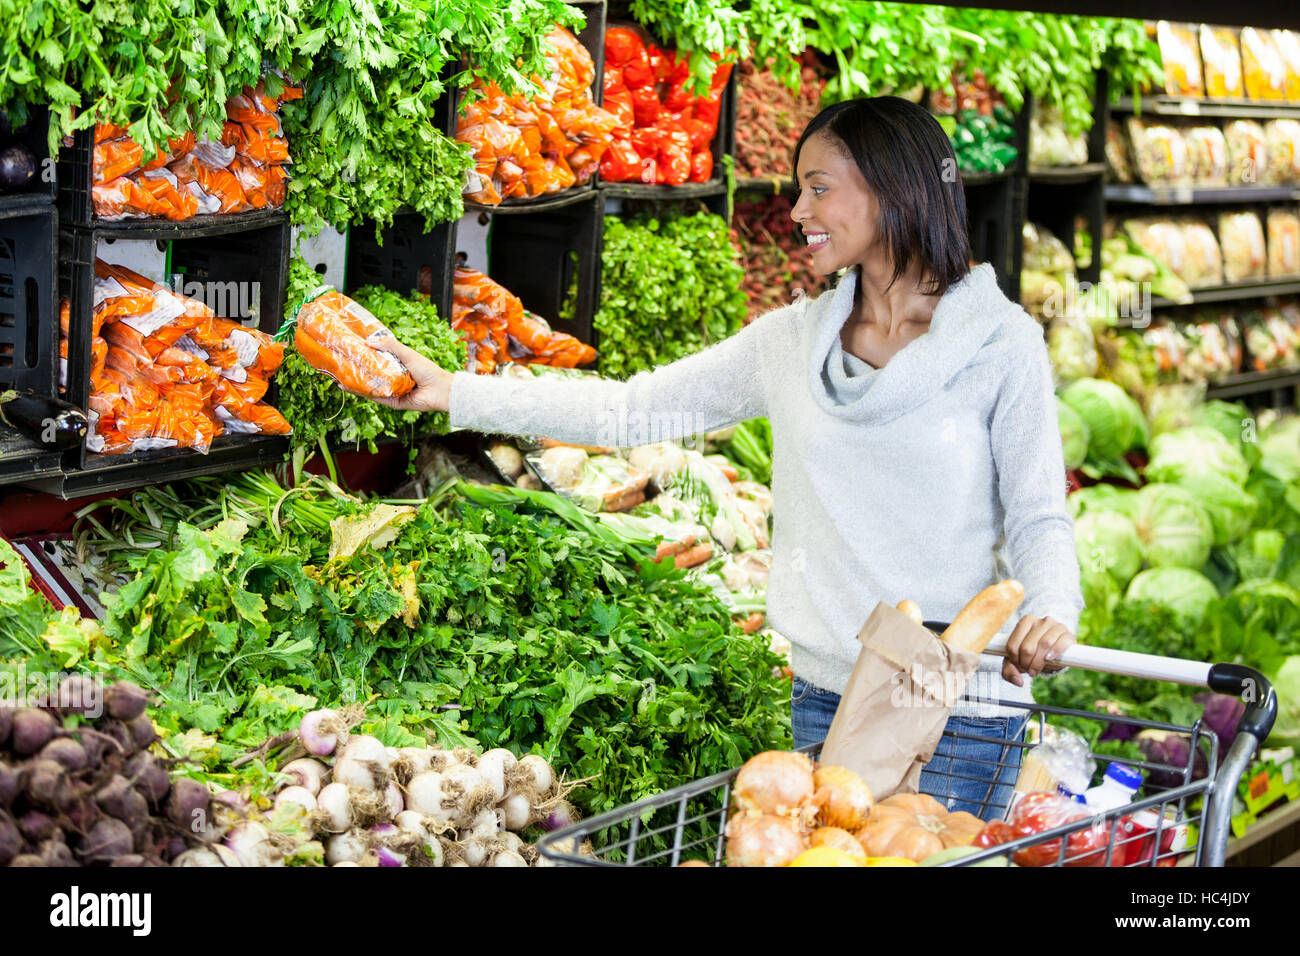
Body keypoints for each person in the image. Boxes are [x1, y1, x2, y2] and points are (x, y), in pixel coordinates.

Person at [371, 96, 1083, 821]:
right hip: (824, 697)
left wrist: (1054, 610)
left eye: (820, 187)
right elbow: (630, 411)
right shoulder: (790, 344)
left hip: (959, 708)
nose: (799, 209)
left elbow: (1037, 516)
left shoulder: (1001, 346)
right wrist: (452, 393)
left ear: (894, 186)